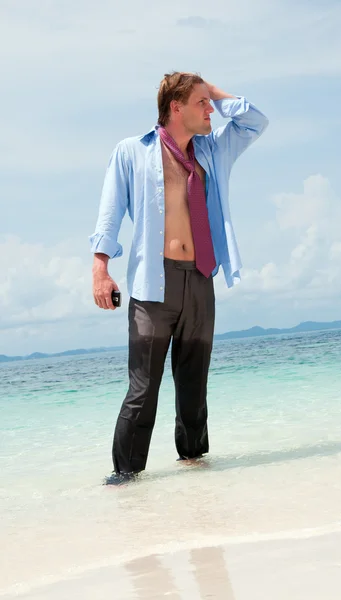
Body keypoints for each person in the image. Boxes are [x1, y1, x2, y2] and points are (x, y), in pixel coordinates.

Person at [90, 72, 268, 484]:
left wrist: (216, 92)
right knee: (142, 390)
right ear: (176, 107)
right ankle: (125, 479)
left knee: (193, 390)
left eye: (211, 103)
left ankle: (195, 475)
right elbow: (110, 213)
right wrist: (101, 269)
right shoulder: (132, 151)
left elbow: (255, 122)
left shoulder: (212, 150)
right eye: (202, 103)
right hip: (154, 285)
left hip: (200, 279)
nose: (211, 111)